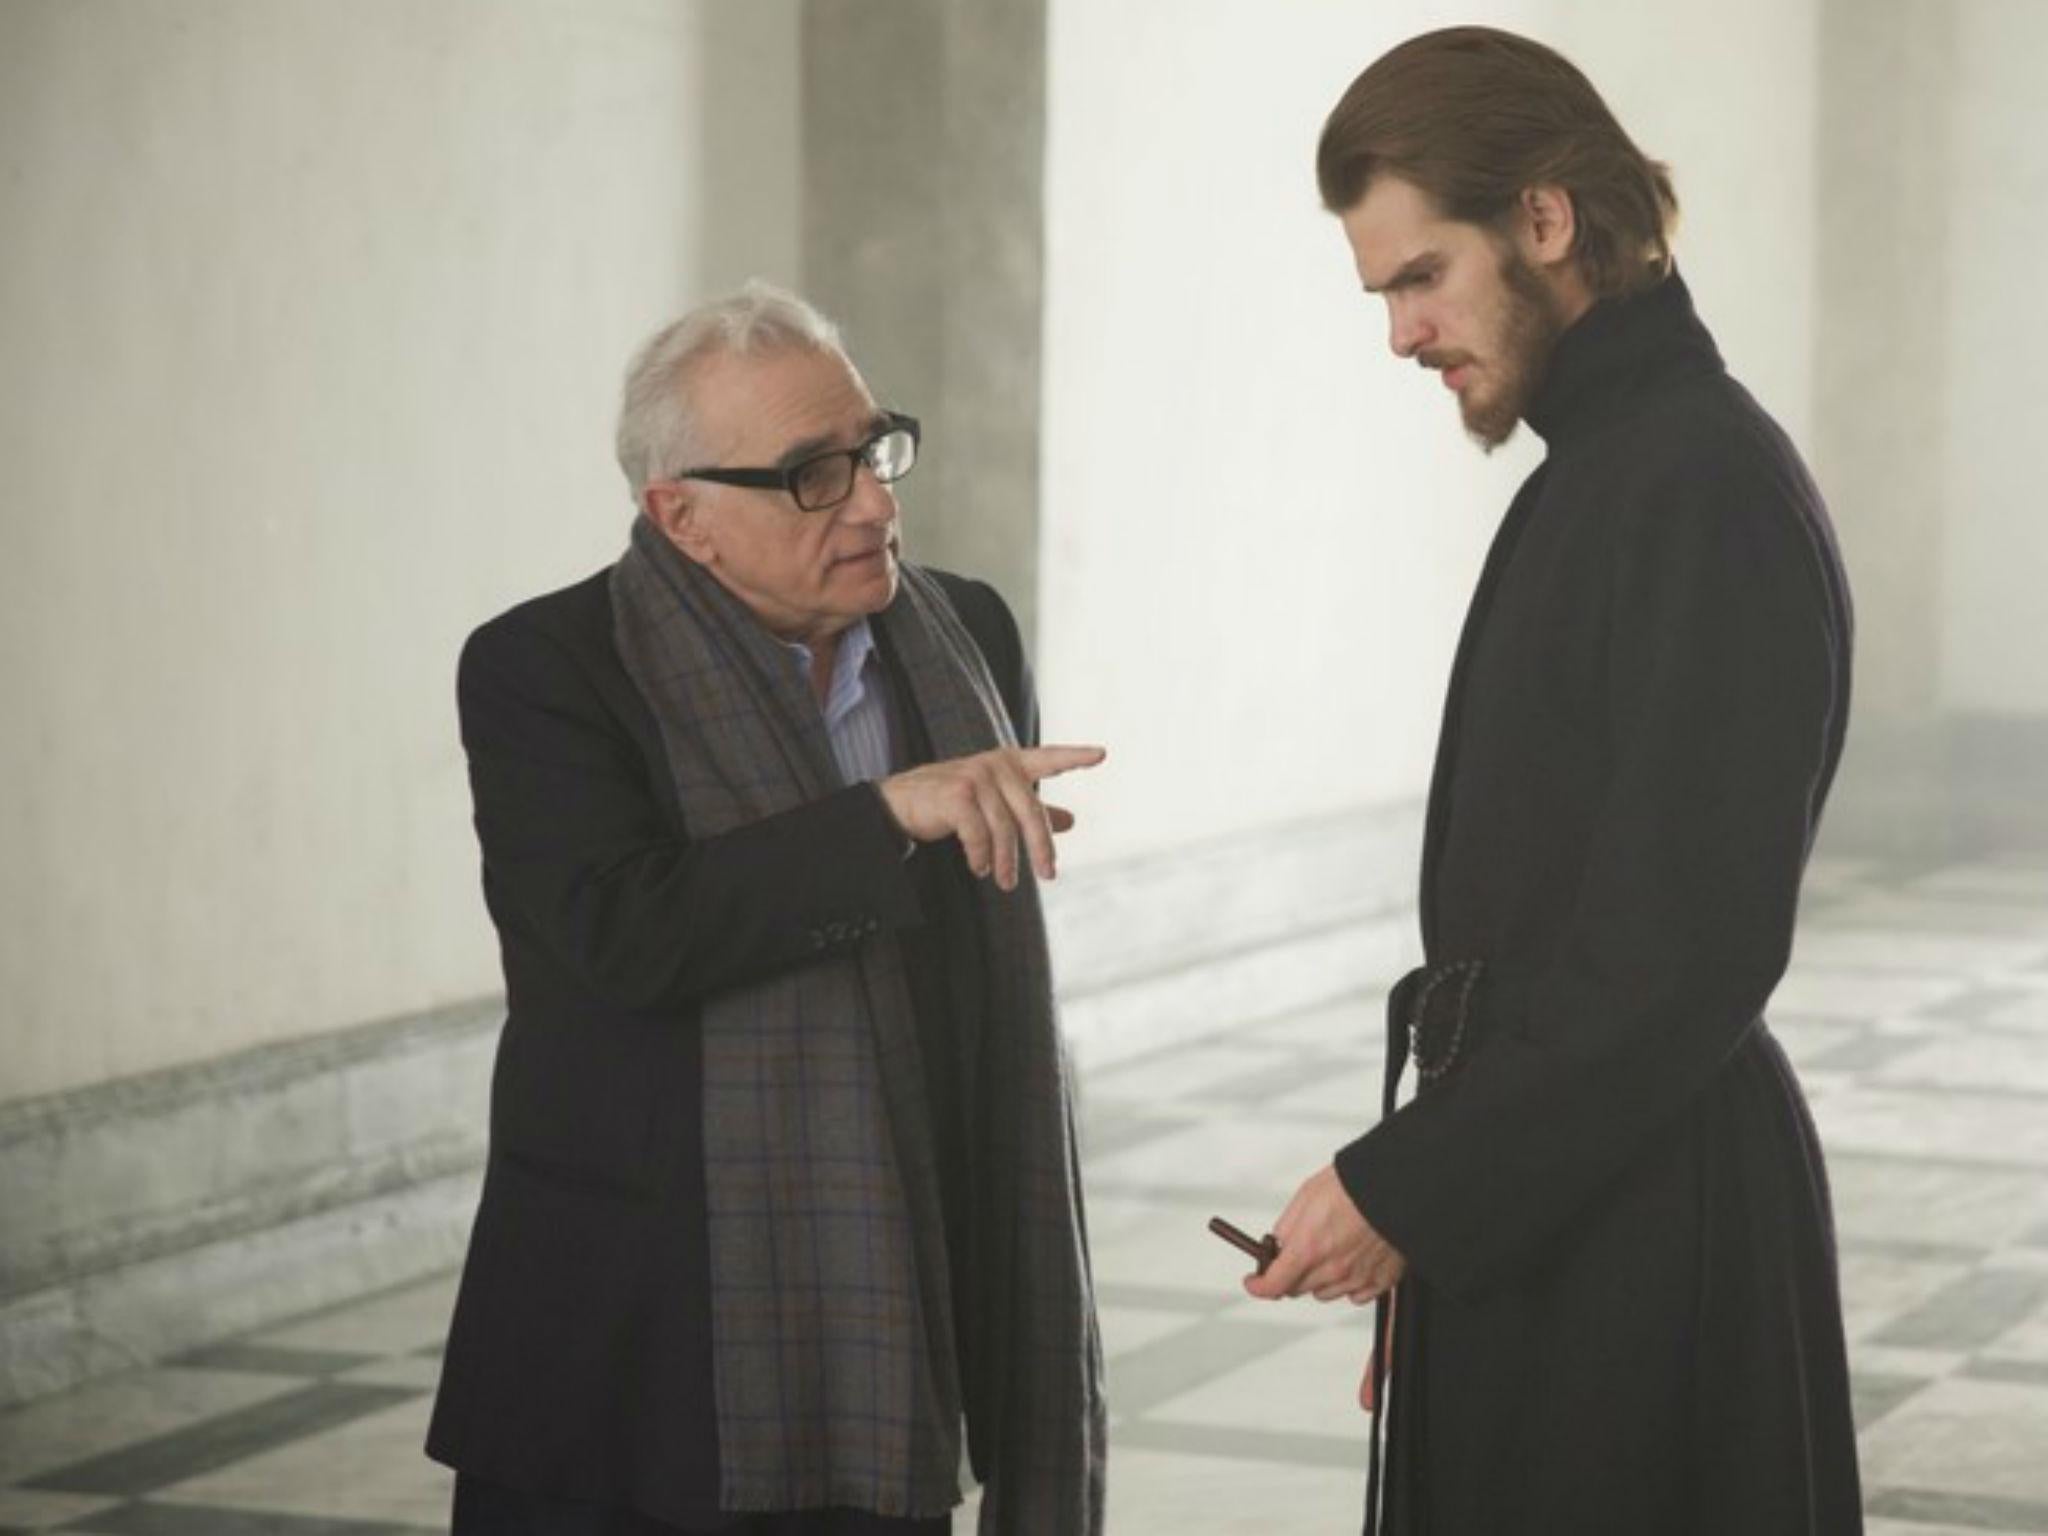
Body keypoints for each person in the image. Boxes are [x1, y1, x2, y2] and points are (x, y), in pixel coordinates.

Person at [1242, 27, 1862, 1536]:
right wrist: (1450, 1221)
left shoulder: (1693, 483)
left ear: (1544, 219)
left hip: (1650, 1226)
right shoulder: (1615, 462)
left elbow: (1683, 951)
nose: (1400, 332)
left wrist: (1413, 1188)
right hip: (1569, 1193)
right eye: (1384, 291)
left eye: (1418, 277)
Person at [426, 282, 1107, 1536]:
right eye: (809, 475)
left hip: (893, 1303)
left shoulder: (967, 630)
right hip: (636, 1336)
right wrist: (881, 819)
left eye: (871, 450)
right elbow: (617, 938)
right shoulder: (543, 669)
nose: (870, 501)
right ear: (680, 516)